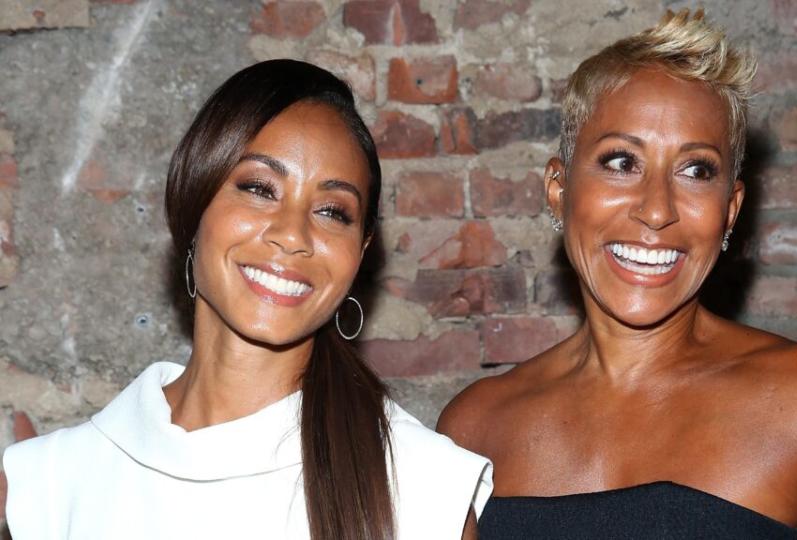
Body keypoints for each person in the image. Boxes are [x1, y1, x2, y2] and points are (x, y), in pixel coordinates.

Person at [438, 10, 797, 540]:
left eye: (696, 170)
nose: (657, 210)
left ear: (729, 211)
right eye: (621, 162)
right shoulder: (474, 429)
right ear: (558, 190)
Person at [3, 59, 491, 540]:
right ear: (192, 202)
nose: (292, 234)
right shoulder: (48, 485)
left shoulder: (425, 488)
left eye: (332, 211)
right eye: (259, 188)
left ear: (361, 251)